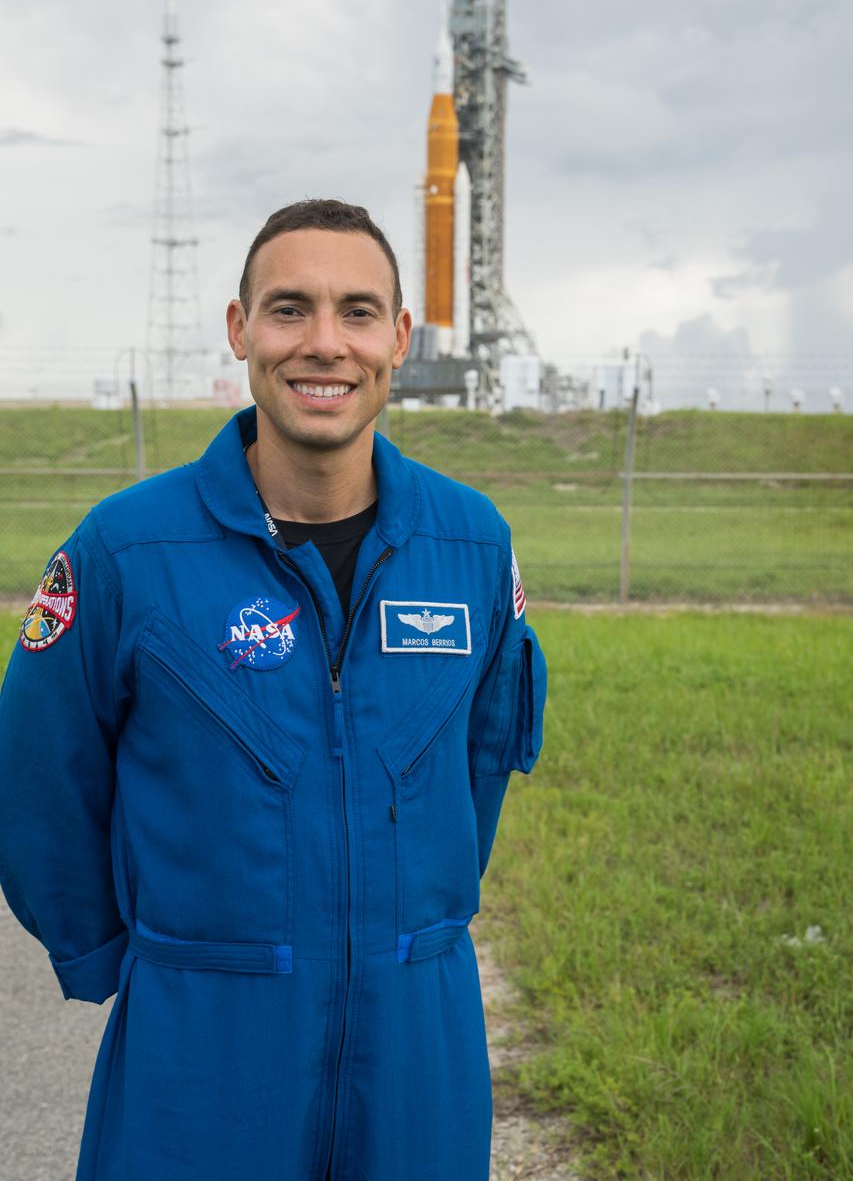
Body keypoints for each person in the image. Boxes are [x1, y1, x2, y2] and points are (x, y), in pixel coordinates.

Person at [0, 199, 546, 1181]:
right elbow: (39, 773)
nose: (324, 343)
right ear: (240, 328)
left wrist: (414, 921)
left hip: (419, 1051)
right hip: (199, 1054)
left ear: (399, 339)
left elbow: (479, 771)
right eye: (289, 308)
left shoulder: (471, 545)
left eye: (358, 311)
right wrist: (133, 959)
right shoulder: (127, 550)